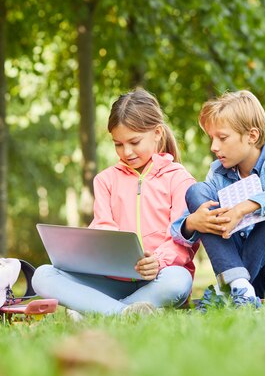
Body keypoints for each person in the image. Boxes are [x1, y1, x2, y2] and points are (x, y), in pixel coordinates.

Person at [33, 88, 198, 317]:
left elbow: (183, 240)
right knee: (42, 275)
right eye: (118, 144)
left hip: (160, 277)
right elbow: (103, 228)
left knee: (179, 280)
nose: (126, 152)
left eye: (134, 142)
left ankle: (96, 309)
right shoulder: (105, 180)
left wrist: (158, 261)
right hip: (112, 279)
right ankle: (125, 313)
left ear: (157, 133)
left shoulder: (179, 178)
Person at [171, 90, 265, 308]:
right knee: (196, 191)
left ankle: (230, 291)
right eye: (212, 138)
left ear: (252, 136)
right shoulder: (218, 175)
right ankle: (238, 286)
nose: (214, 146)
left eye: (222, 137)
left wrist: (244, 208)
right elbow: (178, 229)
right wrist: (193, 223)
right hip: (248, 280)